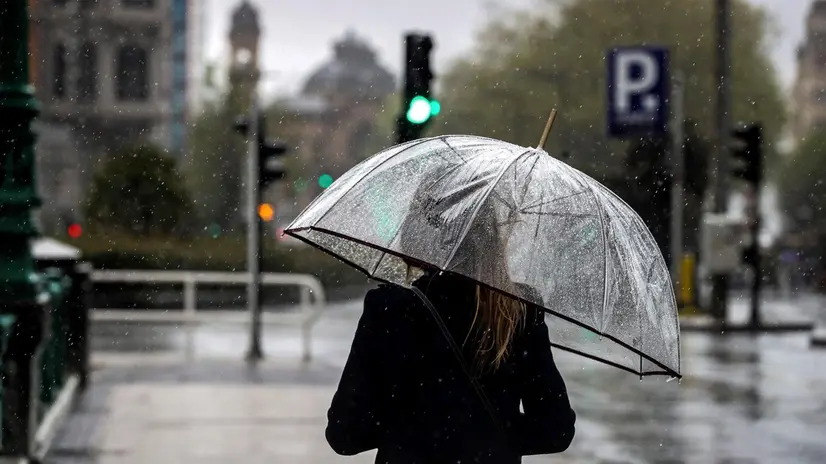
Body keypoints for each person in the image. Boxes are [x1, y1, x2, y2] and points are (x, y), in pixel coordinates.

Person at [325, 189, 576, 463]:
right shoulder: (518, 309)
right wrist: (486, 434)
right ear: (488, 236)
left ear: (417, 234)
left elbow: (345, 434)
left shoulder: (390, 308)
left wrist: (408, 431)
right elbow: (555, 430)